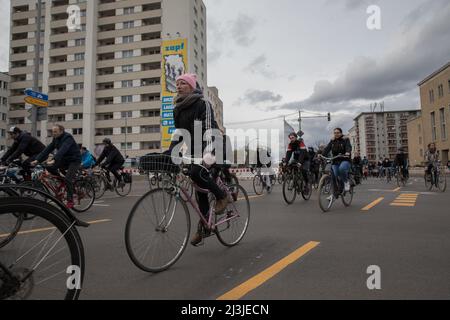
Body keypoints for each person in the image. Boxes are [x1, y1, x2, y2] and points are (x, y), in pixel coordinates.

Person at [168, 73, 228, 246]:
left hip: (213, 143)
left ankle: (222, 195)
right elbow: (179, 134)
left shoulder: (203, 104)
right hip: (195, 147)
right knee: (198, 186)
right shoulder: (177, 108)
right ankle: (204, 225)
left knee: (197, 172)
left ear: (192, 86)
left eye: (183, 83)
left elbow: (209, 130)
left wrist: (207, 153)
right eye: (177, 83)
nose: (178, 86)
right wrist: (170, 153)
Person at [31, 125, 81, 209]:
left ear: (61, 131)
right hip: (64, 160)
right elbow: (47, 150)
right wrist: (37, 160)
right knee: (49, 167)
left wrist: (54, 159)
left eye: (55, 132)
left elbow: (63, 149)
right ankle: (61, 181)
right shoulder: (55, 139)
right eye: (52, 131)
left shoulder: (68, 137)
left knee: (68, 179)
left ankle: (70, 200)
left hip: (74, 160)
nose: (53, 133)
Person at [322, 128, 352, 193]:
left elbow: (348, 147)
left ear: (341, 133)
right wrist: (321, 155)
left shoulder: (345, 139)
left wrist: (347, 152)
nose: (336, 134)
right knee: (335, 175)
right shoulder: (332, 141)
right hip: (335, 161)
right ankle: (335, 193)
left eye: (338, 132)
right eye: (335, 133)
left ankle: (346, 182)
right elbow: (327, 149)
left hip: (345, 159)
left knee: (342, 169)